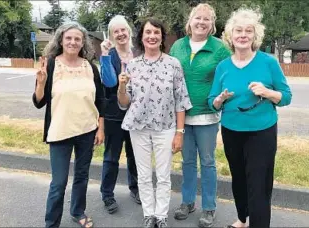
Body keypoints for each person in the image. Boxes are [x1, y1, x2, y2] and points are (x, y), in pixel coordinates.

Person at [208, 7, 292, 228]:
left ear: (255, 36)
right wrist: (219, 99)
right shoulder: (223, 66)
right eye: (238, 31)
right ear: (230, 36)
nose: (243, 35)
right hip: (231, 130)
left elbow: (286, 97)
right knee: (239, 179)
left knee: (258, 182)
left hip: (261, 131)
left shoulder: (268, 62)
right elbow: (212, 101)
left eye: (248, 31)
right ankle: (242, 219)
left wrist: (268, 92)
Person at [117, 18, 192, 228]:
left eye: (156, 32)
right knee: (143, 175)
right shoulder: (132, 65)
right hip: (138, 128)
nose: (152, 36)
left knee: (163, 174)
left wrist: (180, 132)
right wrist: (122, 87)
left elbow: (181, 100)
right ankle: (148, 214)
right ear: (141, 37)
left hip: (165, 127)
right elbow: (124, 103)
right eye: (148, 32)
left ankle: (161, 215)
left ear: (161, 37)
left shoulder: (173, 64)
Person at [32, 22, 105, 228]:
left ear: (83, 43)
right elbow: (39, 102)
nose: (73, 42)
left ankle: (77, 211)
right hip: (60, 132)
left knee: (81, 176)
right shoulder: (52, 65)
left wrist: (101, 128)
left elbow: (100, 101)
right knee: (59, 183)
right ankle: (51, 223)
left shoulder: (90, 67)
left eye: (77, 39)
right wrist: (40, 83)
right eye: (69, 38)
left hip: (87, 131)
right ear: (61, 40)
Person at [169, 3, 231, 227]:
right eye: (198, 18)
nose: (201, 22)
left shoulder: (220, 48)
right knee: (186, 162)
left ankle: (209, 207)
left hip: (207, 116)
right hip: (182, 116)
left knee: (207, 162)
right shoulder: (178, 46)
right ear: (190, 21)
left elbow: (229, 74)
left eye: (206, 19)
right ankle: (187, 202)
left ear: (212, 24)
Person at [99, 15, 140, 214]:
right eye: (116, 31)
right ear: (111, 35)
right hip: (114, 114)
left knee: (135, 155)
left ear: (129, 31)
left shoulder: (139, 53)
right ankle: (107, 194)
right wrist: (105, 56)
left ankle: (136, 188)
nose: (120, 34)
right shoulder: (109, 55)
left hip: (137, 114)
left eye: (123, 30)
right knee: (111, 157)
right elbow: (108, 82)